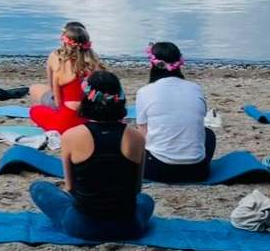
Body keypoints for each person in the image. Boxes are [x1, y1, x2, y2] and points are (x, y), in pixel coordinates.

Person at [29, 69, 154, 240]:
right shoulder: (136, 137)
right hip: (128, 227)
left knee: (39, 187)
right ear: (119, 99)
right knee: (146, 199)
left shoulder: (71, 136)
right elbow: (137, 189)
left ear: (86, 99)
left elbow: (70, 187)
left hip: (82, 226)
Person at [135, 42, 215, 183]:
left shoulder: (144, 92)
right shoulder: (195, 88)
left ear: (153, 64)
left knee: (135, 137)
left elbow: (143, 134)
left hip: (158, 171)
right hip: (197, 171)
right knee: (208, 134)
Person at [28, 22, 102, 136]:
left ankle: (37, 125)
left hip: (66, 123)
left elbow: (58, 103)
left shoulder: (60, 68)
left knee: (34, 110)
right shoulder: (96, 66)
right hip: (89, 119)